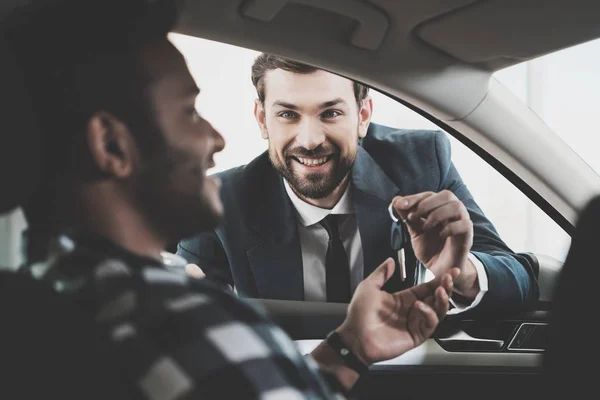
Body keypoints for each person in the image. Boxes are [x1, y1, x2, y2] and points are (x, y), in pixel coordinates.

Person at [10, 0, 455, 398]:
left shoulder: (46, 295)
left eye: (330, 112)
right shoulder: (179, 322)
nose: (215, 139)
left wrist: (350, 347)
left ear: (363, 116)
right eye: (188, 112)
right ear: (110, 145)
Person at [177, 54, 539, 310]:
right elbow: (182, 315)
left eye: (331, 112)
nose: (310, 139)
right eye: (287, 114)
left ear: (363, 115)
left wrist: (457, 272)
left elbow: (519, 280)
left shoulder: (419, 162)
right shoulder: (218, 203)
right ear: (262, 119)